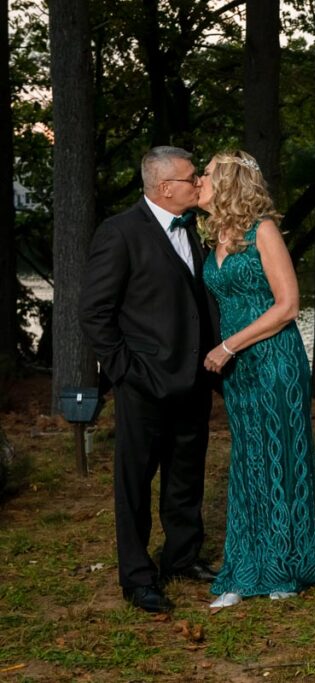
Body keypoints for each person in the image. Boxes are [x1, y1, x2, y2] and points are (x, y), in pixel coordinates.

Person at [80, 146, 219, 613]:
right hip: (143, 385)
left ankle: (181, 557)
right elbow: (95, 315)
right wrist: (126, 372)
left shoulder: (196, 229)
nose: (198, 183)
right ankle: (138, 577)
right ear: (164, 188)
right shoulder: (120, 233)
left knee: (186, 475)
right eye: (191, 178)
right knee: (135, 483)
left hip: (193, 381)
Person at [196, 150, 315, 608]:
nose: (199, 179)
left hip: (273, 359)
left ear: (229, 182)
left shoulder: (262, 230)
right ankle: (244, 566)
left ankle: (284, 566)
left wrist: (229, 345)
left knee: (281, 456)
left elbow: (288, 305)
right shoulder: (215, 236)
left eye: (208, 173)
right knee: (249, 460)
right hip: (238, 368)